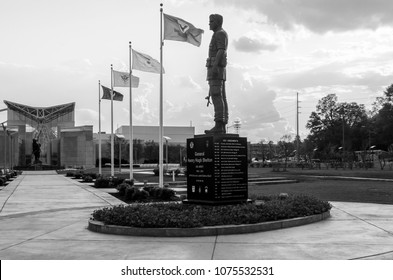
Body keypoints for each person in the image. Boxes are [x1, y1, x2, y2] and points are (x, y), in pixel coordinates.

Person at [204, 14, 228, 134]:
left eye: (211, 21)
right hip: (216, 68)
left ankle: (219, 124)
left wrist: (214, 67)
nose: (209, 23)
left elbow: (221, 50)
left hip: (216, 69)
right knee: (219, 95)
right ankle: (221, 124)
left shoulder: (220, 33)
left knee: (217, 95)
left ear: (217, 22)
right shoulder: (217, 33)